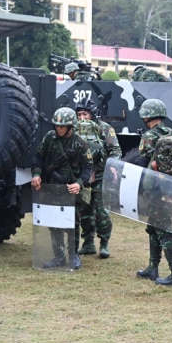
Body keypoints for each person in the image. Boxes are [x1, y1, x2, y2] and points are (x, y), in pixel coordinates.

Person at [30, 107, 94, 269]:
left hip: (69, 189)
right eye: (57, 126)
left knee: (72, 223)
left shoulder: (80, 144)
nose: (59, 128)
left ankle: (74, 256)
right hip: (51, 188)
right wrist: (36, 174)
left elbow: (88, 168)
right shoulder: (50, 138)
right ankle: (59, 257)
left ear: (70, 126)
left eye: (62, 126)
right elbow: (38, 157)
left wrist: (78, 183)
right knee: (53, 223)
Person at [131, 98, 172, 286]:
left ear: (146, 116)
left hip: (154, 190)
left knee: (164, 231)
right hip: (170, 189)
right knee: (153, 229)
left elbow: (142, 160)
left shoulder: (149, 137)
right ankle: (152, 267)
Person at [74, 100, 121, 258]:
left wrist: (112, 167)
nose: (82, 117)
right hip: (84, 177)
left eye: (85, 114)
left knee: (102, 211)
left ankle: (104, 243)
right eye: (79, 114)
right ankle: (88, 243)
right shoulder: (74, 129)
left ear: (92, 114)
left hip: (101, 175)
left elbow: (115, 150)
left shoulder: (104, 128)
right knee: (85, 211)